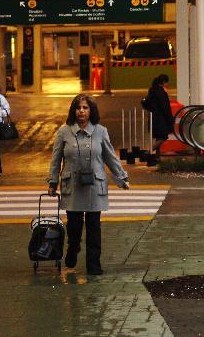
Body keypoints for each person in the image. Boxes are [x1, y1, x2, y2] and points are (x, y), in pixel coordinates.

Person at [48, 94, 129, 275]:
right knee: (74, 227)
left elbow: (110, 156)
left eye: (85, 108)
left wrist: (121, 177)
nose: (81, 111)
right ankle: (73, 248)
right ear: (73, 111)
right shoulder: (64, 132)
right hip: (73, 185)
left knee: (94, 227)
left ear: (91, 111)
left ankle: (93, 264)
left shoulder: (101, 131)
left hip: (94, 185)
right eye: (78, 108)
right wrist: (52, 181)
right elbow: (56, 160)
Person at [145, 74, 173, 155]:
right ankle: (149, 152)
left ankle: (157, 155)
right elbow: (165, 107)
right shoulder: (161, 92)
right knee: (163, 137)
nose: (168, 84)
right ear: (164, 82)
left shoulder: (153, 90)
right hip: (161, 119)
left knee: (159, 137)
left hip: (154, 117)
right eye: (167, 82)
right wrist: (170, 119)